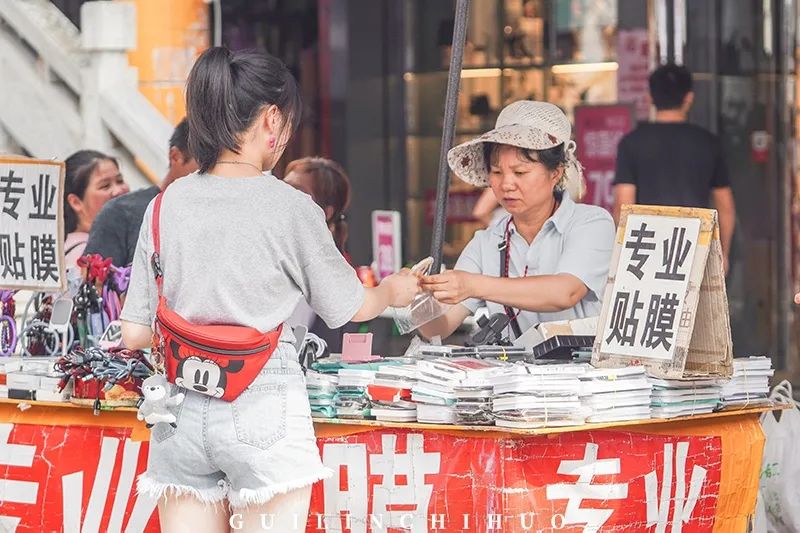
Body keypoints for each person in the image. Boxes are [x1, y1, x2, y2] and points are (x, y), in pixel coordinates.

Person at [119, 47, 419, 532]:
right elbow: (348, 307)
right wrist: (391, 290)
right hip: (263, 402)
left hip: (178, 406)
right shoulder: (290, 207)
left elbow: (134, 332)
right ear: (272, 119)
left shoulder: (166, 203)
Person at [420, 100, 615, 341]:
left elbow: (565, 292)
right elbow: (440, 327)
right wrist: (417, 298)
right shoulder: (487, 242)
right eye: (497, 172)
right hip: (513, 377)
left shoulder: (592, 223)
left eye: (520, 172)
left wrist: (473, 285)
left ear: (556, 173)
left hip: (582, 375)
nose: (506, 184)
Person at [614, 63, 736, 273]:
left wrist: (624, 257)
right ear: (689, 98)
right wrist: (722, 254)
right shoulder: (708, 143)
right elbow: (725, 207)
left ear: (650, 97)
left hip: (646, 254)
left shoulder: (631, 143)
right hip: (697, 248)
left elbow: (623, 208)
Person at [85, 119, 197, 266]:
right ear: (176, 156)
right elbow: (96, 284)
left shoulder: (224, 218)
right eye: (208, 166)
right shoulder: (121, 213)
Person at [63, 150, 130, 267]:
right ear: (76, 202)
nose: (119, 190)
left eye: (120, 181)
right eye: (105, 186)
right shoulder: (84, 254)